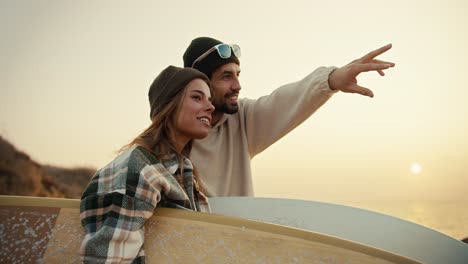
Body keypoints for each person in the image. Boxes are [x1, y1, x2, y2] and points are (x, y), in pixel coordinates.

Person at [182, 37, 395, 197]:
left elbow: (285, 99)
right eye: (226, 76)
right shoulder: (170, 136)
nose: (238, 86)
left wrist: (331, 80)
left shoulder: (243, 120)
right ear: (201, 84)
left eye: (238, 74)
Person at [80, 66, 215, 263]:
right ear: (170, 104)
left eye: (210, 100)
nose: (211, 107)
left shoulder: (183, 172)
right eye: (197, 97)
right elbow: (109, 260)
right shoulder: (139, 167)